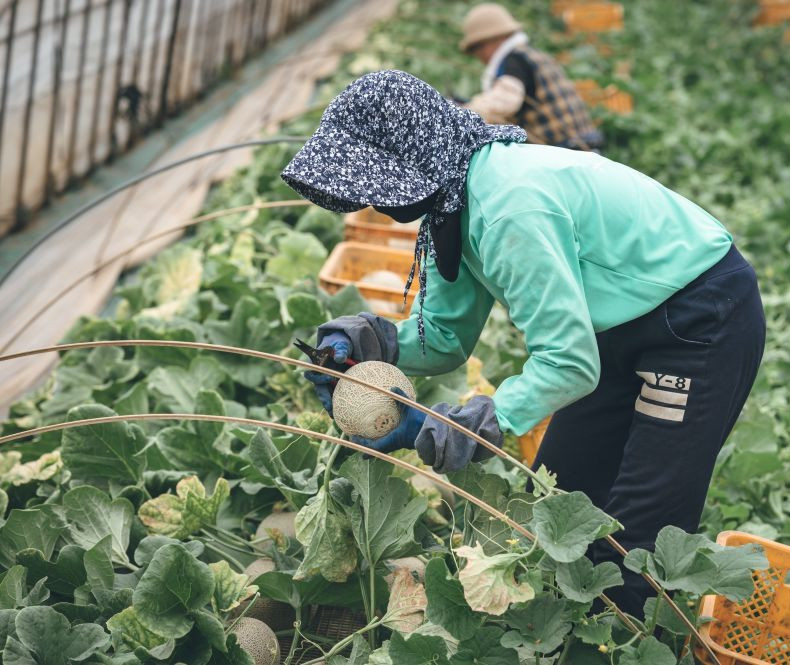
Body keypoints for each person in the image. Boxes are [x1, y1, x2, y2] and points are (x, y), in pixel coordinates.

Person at [283, 70, 765, 618]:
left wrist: (480, 420)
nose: (370, 203)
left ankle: (625, 642)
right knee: (564, 500)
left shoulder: (510, 207)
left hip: (699, 319)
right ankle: (567, 630)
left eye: (371, 185)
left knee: (638, 534)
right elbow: (443, 337)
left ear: (405, 165)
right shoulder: (450, 202)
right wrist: (377, 344)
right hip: (618, 326)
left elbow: (568, 361)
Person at [460, 3, 603, 151]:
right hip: (586, 148)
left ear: (494, 38)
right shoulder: (533, 55)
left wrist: (464, 114)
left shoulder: (514, 61)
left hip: (565, 152)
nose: (478, 56)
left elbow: (505, 100)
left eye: (477, 48)